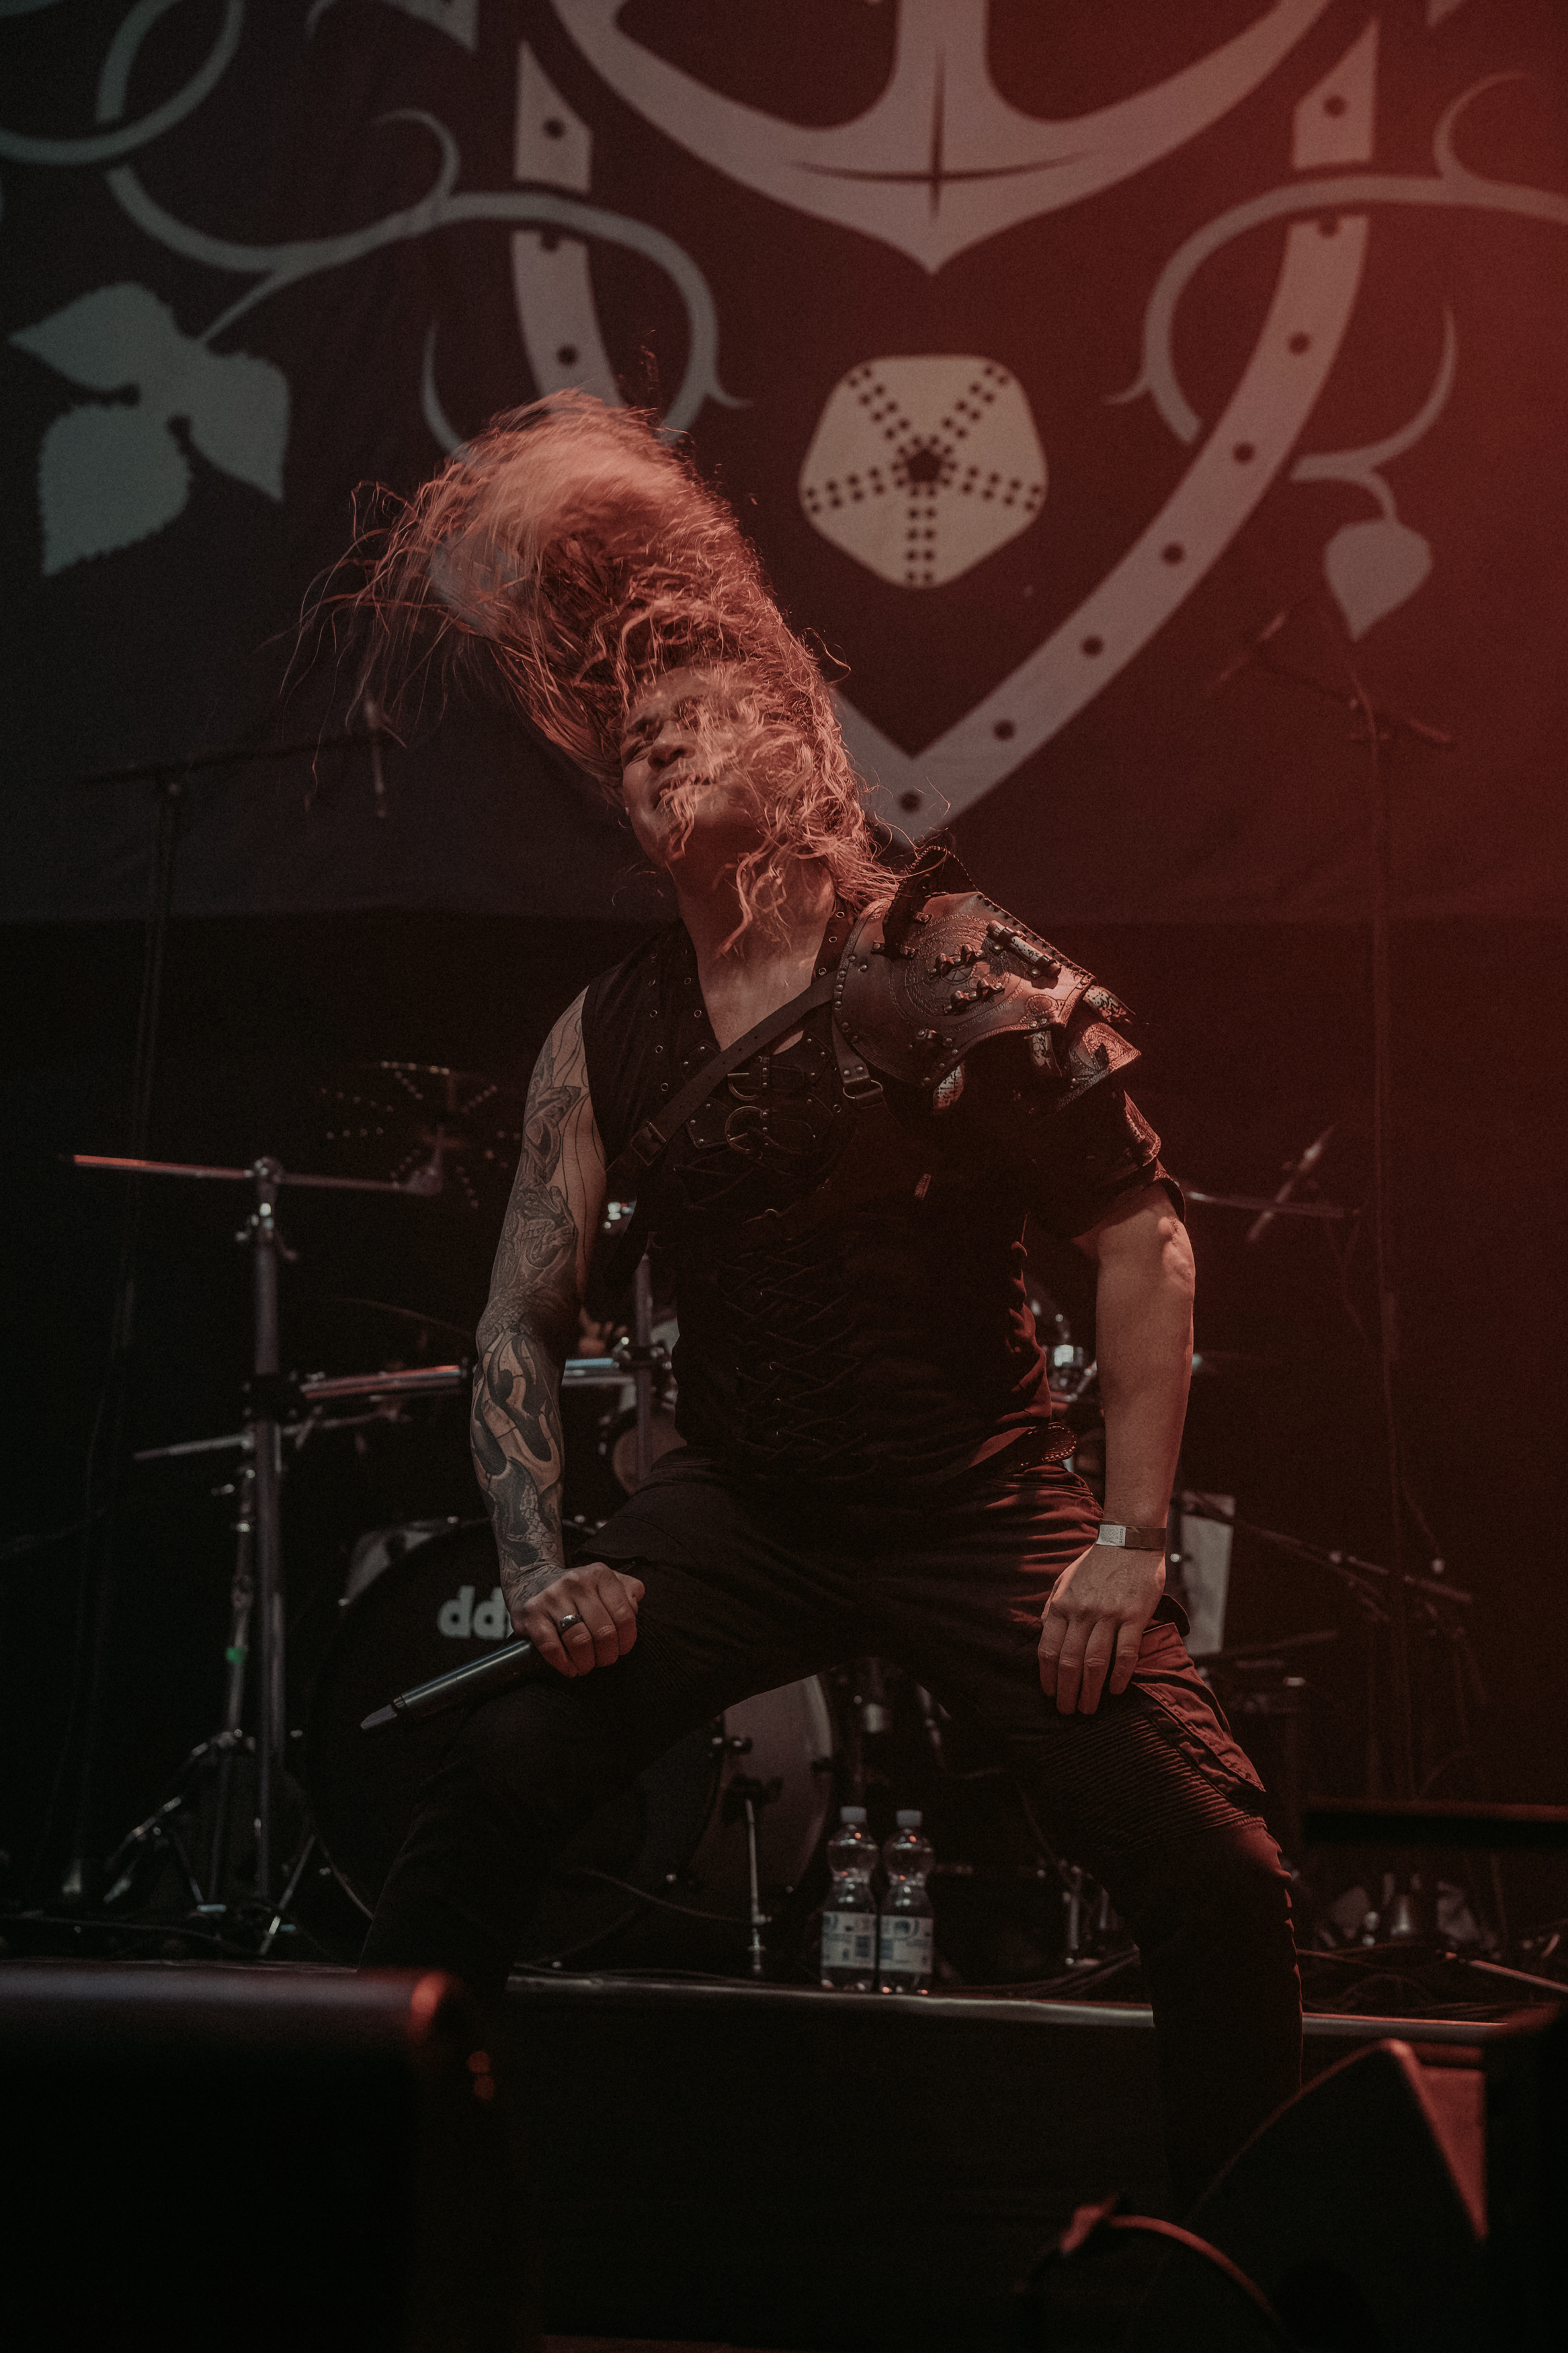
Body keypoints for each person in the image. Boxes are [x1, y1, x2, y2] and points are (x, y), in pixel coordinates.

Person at [354, 393, 1301, 2209]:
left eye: (701, 721)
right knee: (491, 1787)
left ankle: (1234, 2261)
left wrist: (1128, 1537)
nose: (661, 752)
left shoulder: (950, 961)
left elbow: (1143, 1238)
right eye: (637, 746)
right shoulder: (602, 1034)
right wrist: (542, 1561)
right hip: (745, 1508)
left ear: (800, 745)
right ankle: (371, 2221)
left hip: (977, 1501)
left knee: (1217, 1867)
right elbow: (516, 1324)